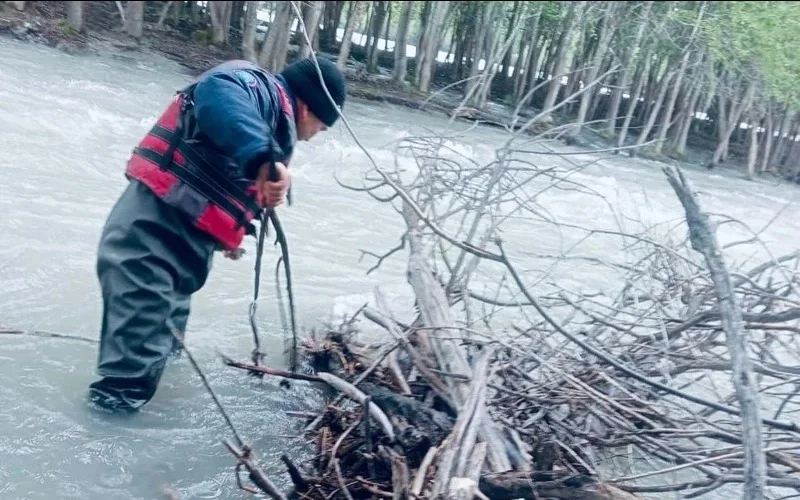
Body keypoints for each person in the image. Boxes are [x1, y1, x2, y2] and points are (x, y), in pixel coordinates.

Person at [87, 57, 347, 413]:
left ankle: (141, 425)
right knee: (128, 380)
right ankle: (106, 437)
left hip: (181, 248)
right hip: (151, 236)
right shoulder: (261, 90)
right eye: (322, 125)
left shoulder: (271, 117)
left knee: (166, 351)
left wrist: (229, 234)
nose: (317, 134)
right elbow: (216, 93)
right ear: (308, 106)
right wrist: (263, 161)